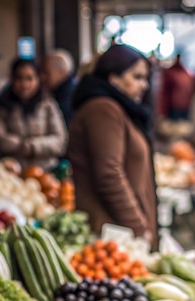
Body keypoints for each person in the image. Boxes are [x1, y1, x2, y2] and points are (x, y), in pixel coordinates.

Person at [66, 45, 158, 246]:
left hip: (120, 232)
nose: (144, 85)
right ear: (113, 77)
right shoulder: (103, 111)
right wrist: (139, 227)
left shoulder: (117, 109)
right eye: (137, 77)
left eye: (145, 78)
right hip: (114, 236)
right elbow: (109, 175)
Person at [0, 58, 68, 171]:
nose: (24, 84)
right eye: (19, 78)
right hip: (11, 172)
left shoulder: (47, 105)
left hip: (45, 171)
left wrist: (32, 146)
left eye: (29, 79)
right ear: (12, 79)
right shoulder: (1, 106)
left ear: (38, 80)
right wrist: (20, 145)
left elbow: (60, 141)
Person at [41, 49, 77, 128]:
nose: (43, 77)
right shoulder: (55, 92)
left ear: (62, 72)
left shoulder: (69, 97)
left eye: (47, 73)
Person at [158, 53, 195, 120]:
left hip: (185, 107)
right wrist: (162, 111)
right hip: (174, 108)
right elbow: (165, 93)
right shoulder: (171, 73)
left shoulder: (187, 74)